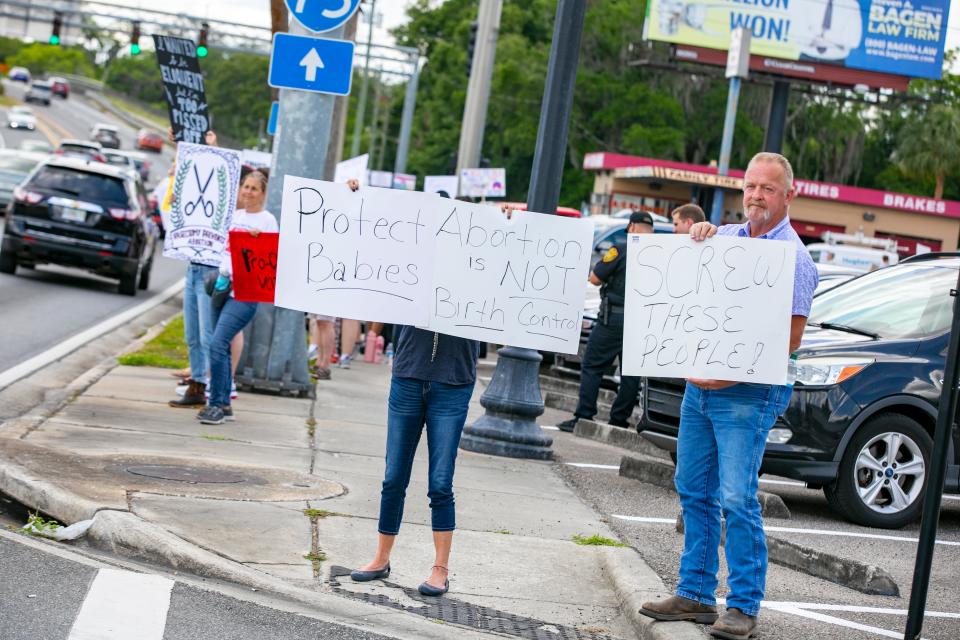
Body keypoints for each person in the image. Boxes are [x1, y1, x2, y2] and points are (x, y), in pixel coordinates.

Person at [640, 152, 818, 640]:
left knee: (737, 497)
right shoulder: (728, 240)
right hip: (700, 390)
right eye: (750, 187)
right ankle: (695, 595)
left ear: (788, 194)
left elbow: (791, 339)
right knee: (693, 488)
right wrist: (696, 235)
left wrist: (730, 373)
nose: (756, 196)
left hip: (748, 396)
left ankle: (742, 605)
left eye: (767, 188)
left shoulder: (793, 259)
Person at [349, 179, 495, 598]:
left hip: (452, 383)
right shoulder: (406, 257)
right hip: (409, 376)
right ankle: (381, 558)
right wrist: (357, 195)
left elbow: (507, 267)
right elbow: (365, 240)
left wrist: (506, 225)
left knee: (440, 482)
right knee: (394, 475)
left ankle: (440, 569)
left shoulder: (477, 262)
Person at [556, 211, 655, 433]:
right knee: (630, 374)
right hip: (641, 322)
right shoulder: (658, 254)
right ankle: (619, 420)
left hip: (614, 319)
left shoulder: (620, 249)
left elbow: (595, 278)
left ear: (631, 227)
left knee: (592, 365)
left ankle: (584, 416)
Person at [196, 171, 279, 425]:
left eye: (254, 188)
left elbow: (270, 259)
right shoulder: (235, 216)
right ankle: (224, 404)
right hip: (221, 288)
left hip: (245, 293)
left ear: (263, 194)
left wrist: (258, 242)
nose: (248, 192)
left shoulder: (267, 221)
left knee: (219, 344)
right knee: (216, 343)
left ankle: (217, 403)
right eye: (246, 186)